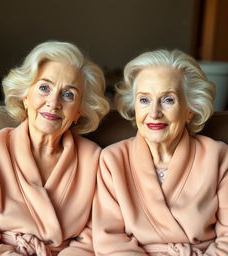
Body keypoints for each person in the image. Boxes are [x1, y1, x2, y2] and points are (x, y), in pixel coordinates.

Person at [0, 40, 109, 255]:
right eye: (44, 88)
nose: (53, 102)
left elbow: (94, 237)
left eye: (68, 94)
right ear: (25, 96)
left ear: (79, 111)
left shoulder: (95, 159)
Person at [93, 49, 228, 255]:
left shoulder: (218, 157)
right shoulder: (112, 160)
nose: (154, 113)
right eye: (144, 100)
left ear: (190, 110)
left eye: (168, 100)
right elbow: (110, 241)